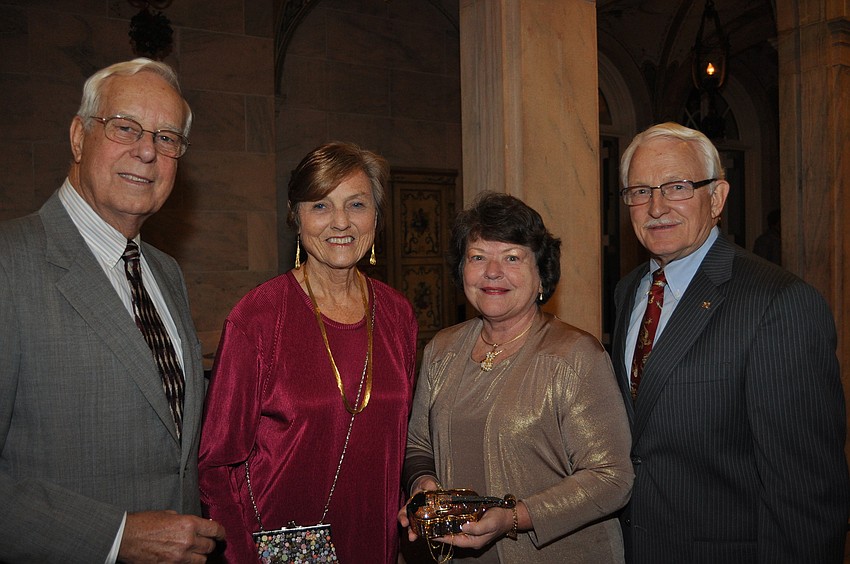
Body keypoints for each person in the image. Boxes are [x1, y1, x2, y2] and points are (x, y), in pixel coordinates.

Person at [0, 59, 225, 563]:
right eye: (125, 127)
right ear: (79, 137)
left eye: (167, 138)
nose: (147, 150)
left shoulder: (164, 272)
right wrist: (113, 537)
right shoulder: (9, 265)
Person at [612, 122, 849, 563]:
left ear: (717, 197)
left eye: (677, 187)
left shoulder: (779, 304)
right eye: (640, 191)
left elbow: (806, 494)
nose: (656, 207)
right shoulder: (630, 291)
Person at [198, 141, 419, 563]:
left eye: (357, 204)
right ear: (295, 216)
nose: (341, 222)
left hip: (374, 542)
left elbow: (396, 439)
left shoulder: (397, 314)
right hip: (281, 547)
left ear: (377, 215)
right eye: (320, 205)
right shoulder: (259, 316)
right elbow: (216, 464)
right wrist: (243, 557)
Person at [399, 192, 634, 563]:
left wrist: (514, 517)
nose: (493, 272)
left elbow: (611, 478)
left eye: (512, 258)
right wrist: (424, 490)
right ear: (462, 270)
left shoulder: (574, 356)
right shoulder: (442, 350)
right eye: (478, 257)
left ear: (541, 274)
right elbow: (418, 444)